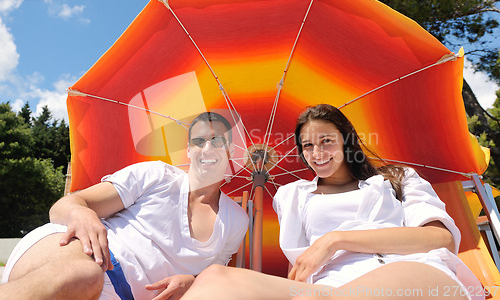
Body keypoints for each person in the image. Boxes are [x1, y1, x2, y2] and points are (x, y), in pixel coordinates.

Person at [180, 104, 484, 300]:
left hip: (409, 272)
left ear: (345, 140)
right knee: (214, 279)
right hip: (326, 288)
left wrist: (335, 240)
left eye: (326, 141)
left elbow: (440, 238)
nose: (317, 152)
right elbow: (299, 266)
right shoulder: (293, 196)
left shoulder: (396, 178)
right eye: (308, 145)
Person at [0, 111, 249, 300]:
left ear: (230, 150)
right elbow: (65, 206)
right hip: (85, 252)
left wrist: (191, 280)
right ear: (188, 150)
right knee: (84, 276)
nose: (208, 148)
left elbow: (217, 274)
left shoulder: (237, 219)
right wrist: (82, 213)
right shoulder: (157, 175)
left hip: (123, 294)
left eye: (217, 141)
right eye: (199, 141)